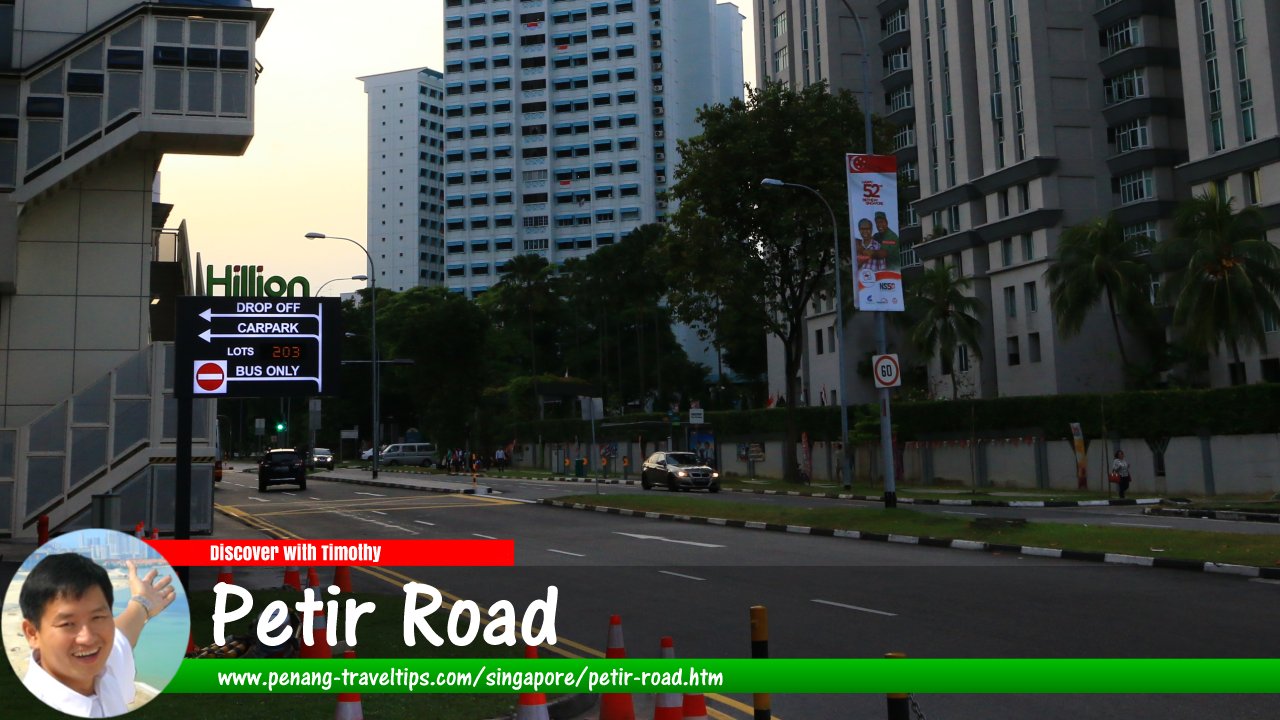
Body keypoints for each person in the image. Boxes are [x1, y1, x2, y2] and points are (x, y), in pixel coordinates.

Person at [19, 553, 177, 718]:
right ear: (32, 634)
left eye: (97, 617)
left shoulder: (103, 668)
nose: (87, 638)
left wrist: (142, 602)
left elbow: (122, 636)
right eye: (67, 624)